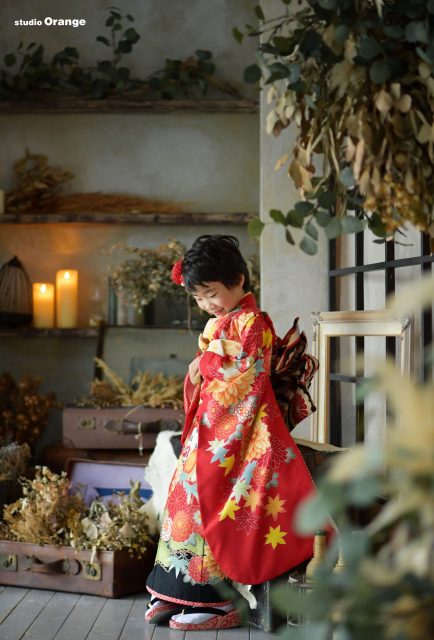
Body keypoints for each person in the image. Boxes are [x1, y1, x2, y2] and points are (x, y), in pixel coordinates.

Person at [145, 235, 316, 631]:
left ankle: (219, 602)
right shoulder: (223, 320)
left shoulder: (255, 322)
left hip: (244, 428)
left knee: (210, 497)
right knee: (182, 498)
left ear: (239, 279)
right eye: (200, 298)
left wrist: (203, 364)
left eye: (212, 294)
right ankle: (173, 591)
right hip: (213, 427)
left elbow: (248, 376)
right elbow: (214, 364)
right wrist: (203, 364)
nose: (207, 304)